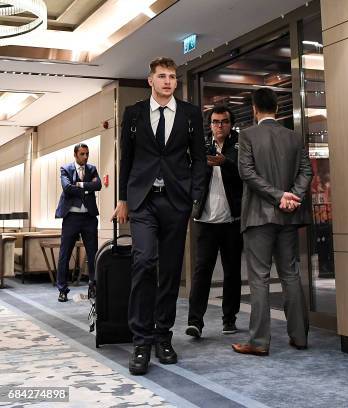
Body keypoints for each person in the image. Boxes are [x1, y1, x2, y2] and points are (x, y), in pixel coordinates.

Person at [112, 57, 205, 375]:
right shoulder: (134, 114)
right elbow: (127, 157)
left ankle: (162, 336)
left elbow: (199, 160)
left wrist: (195, 197)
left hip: (176, 202)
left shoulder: (191, 115)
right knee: (144, 262)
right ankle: (141, 340)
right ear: (150, 80)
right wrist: (123, 197)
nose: (168, 81)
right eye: (162, 76)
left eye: (172, 77)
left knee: (170, 271)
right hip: (143, 201)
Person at [231, 87, 312, 356]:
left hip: (258, 217)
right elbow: (306, 171)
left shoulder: (248, 134)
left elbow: (247, 173)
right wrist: (293, 197)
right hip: (288, 217)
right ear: (276, 108)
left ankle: (258, 342)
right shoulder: (293, 136)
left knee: (259, 279)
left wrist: (278, 197)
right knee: (290, 275)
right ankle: (299, 336)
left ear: (254, 109)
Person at [187, 105, 243, 338]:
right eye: (215, 122)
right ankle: (195, 321)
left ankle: (229, 319)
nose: (219, 126)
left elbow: (246, 174)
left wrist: (225, 163)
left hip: (232, 221)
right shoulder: (201, 146)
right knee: (202, 272)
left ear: (231, 124)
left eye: (224, 122)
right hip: (206, 220)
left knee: (232, 272)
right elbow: (190, 174)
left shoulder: (240, 146)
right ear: (209, 124)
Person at [55, 143, 101, 302]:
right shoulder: (65, 169)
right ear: (75, 155)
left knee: (93, 253)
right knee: (64, 254)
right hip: (71, 218)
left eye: (87, 154)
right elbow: (67, 188)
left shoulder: (92, 169)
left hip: (89, 218)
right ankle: (62, 289)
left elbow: (98, 185)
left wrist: (80, 184)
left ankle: (93, 287)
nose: (86, 157)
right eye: (82, 154)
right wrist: (88, 187)